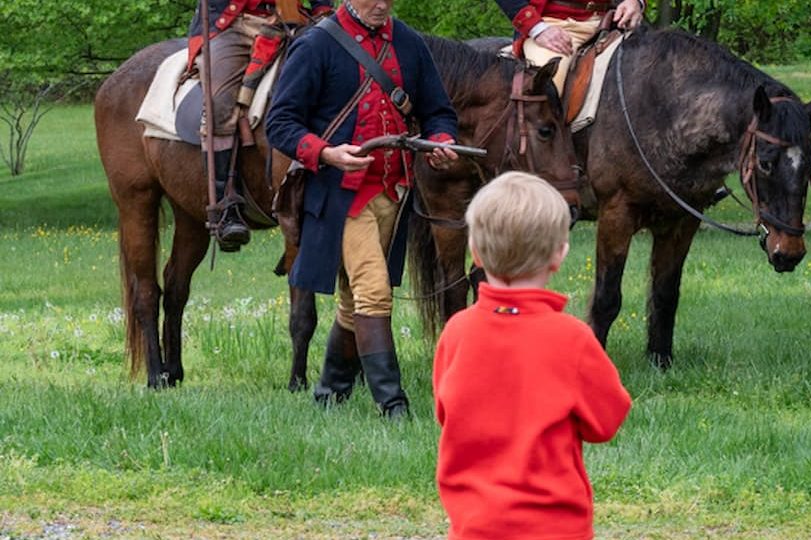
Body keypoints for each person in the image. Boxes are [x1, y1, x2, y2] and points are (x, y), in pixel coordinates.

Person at [266, 0, 459, 418]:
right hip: (341, 195)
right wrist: (327, 153)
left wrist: (441, 141)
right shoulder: (316, 45)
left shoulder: (408, 42)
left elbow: (438, 111)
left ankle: (330, 392)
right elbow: (280, 123)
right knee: (374, 291)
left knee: (355, 302)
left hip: (396, 190)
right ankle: (394, 405)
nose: (382, 4)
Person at [433, 172, 632, 539]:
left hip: (474, 525)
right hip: (556, 527)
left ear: (474, 253)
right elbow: (606, 422)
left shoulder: (456, 333)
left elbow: (446, 414)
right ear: (560, 254)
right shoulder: (572, 338)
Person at [187, 0, 334, 251]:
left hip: (295, 21)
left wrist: (323, 12)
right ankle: (225, 206)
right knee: (219, 104)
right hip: (234, 26)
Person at [495, 0, 645, 94]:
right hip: (554, 25)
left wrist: (636, 1)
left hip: (614, 22)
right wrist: (537, 28)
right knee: (545, 91)